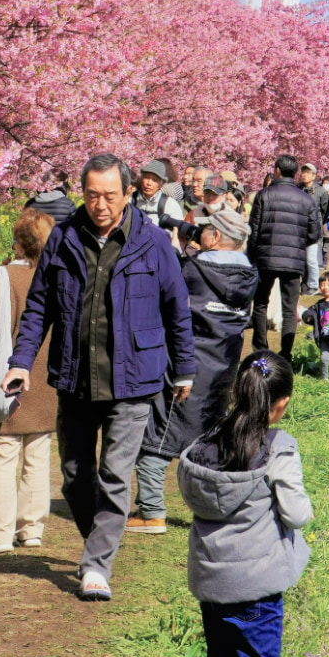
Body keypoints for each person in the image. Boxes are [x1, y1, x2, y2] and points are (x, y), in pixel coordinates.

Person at [8, 154, 195, 602]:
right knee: (74, 475)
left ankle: (96, 566)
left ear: (128, 193)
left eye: (110, 195)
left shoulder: (153, 244)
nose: (100, 204)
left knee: (115, 473)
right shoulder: (64, 239)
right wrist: (20, 360)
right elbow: (39, 306)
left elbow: (177, 310)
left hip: (135, 380)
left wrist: (184, 367)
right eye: (92, 195)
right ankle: (100, 539)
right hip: (75, 376)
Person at [178, 352, 312, 657]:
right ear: (281, 404)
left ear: (237, 391)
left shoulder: (203, 444)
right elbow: (297, 513)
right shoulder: (278, 447)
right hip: (257, 585)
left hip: (211, 580)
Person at [130, 208, 257, 536]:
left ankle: (152, 512)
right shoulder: (249, 277)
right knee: (208, 440)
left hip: (186, 367)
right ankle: (218, 512)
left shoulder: (193, 270)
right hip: (222, 371)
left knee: (157, 437)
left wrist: (174, 250)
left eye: (205, 230)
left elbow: (166, 290)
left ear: (215, 237)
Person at [0, 210, 59, 552]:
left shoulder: (1, 278)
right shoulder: (60, 276)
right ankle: (31, 529)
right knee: (38, 453)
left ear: (19, 245)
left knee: (4, 454)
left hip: (9, 377)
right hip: (48, 378)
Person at [248, 155, 325, 357]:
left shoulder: (263, 195)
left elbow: (253, 230)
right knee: (289, 308)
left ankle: (260, 348)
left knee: (260, 304)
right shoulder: (306, 198)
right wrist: (298, 243)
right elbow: (315, 233)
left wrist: (251, 255)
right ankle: (286, 353)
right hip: (293, 260)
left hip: (266, 258)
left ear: (278, 171)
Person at [298, 163, 329, 293]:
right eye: (303, 172)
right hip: (299, 228)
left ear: (314, 175)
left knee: (311, 259)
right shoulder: (297, 188)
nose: (304, 175)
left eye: (308, 172)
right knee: (301, 258)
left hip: (313, 229)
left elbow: (325, 209)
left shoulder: (320, 191)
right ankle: (303, 283)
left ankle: (314, 284)